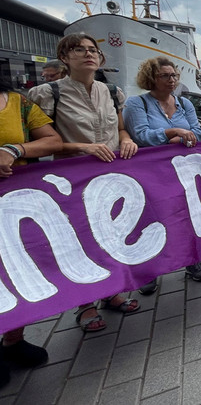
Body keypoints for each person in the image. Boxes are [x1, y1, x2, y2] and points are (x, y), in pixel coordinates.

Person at [28, 33, 140, 333]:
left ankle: (112, 291)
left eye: (93, 50)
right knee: (80, 241)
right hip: (72, 180)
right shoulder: (48, 93)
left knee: (112, 233)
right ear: (65, 56)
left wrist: (127, 139)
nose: (88, 54)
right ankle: (85, 304)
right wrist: (82, 147)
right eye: (79, 50)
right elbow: (45, 142)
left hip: (111, 175)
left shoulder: (112, 91)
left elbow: (119, 127)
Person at [123, 57, 201, 293]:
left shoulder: (185, 103)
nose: (171, 80)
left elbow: (198, 133)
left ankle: (190, 259)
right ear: (152, 78)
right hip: (151, 173)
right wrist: (172, 132)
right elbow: (140, 136)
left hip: (183, 170)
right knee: (150, 219)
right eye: (165, 75)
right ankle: (150, 269)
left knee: (185, 215)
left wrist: (175, 136)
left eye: (174, 75)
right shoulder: (136, 103)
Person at [0, 77, 61, 386]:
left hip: (15, 202)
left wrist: (15, 148)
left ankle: (13, 338)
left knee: (21, 269)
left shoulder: (17, 102)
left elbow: (53, 141)